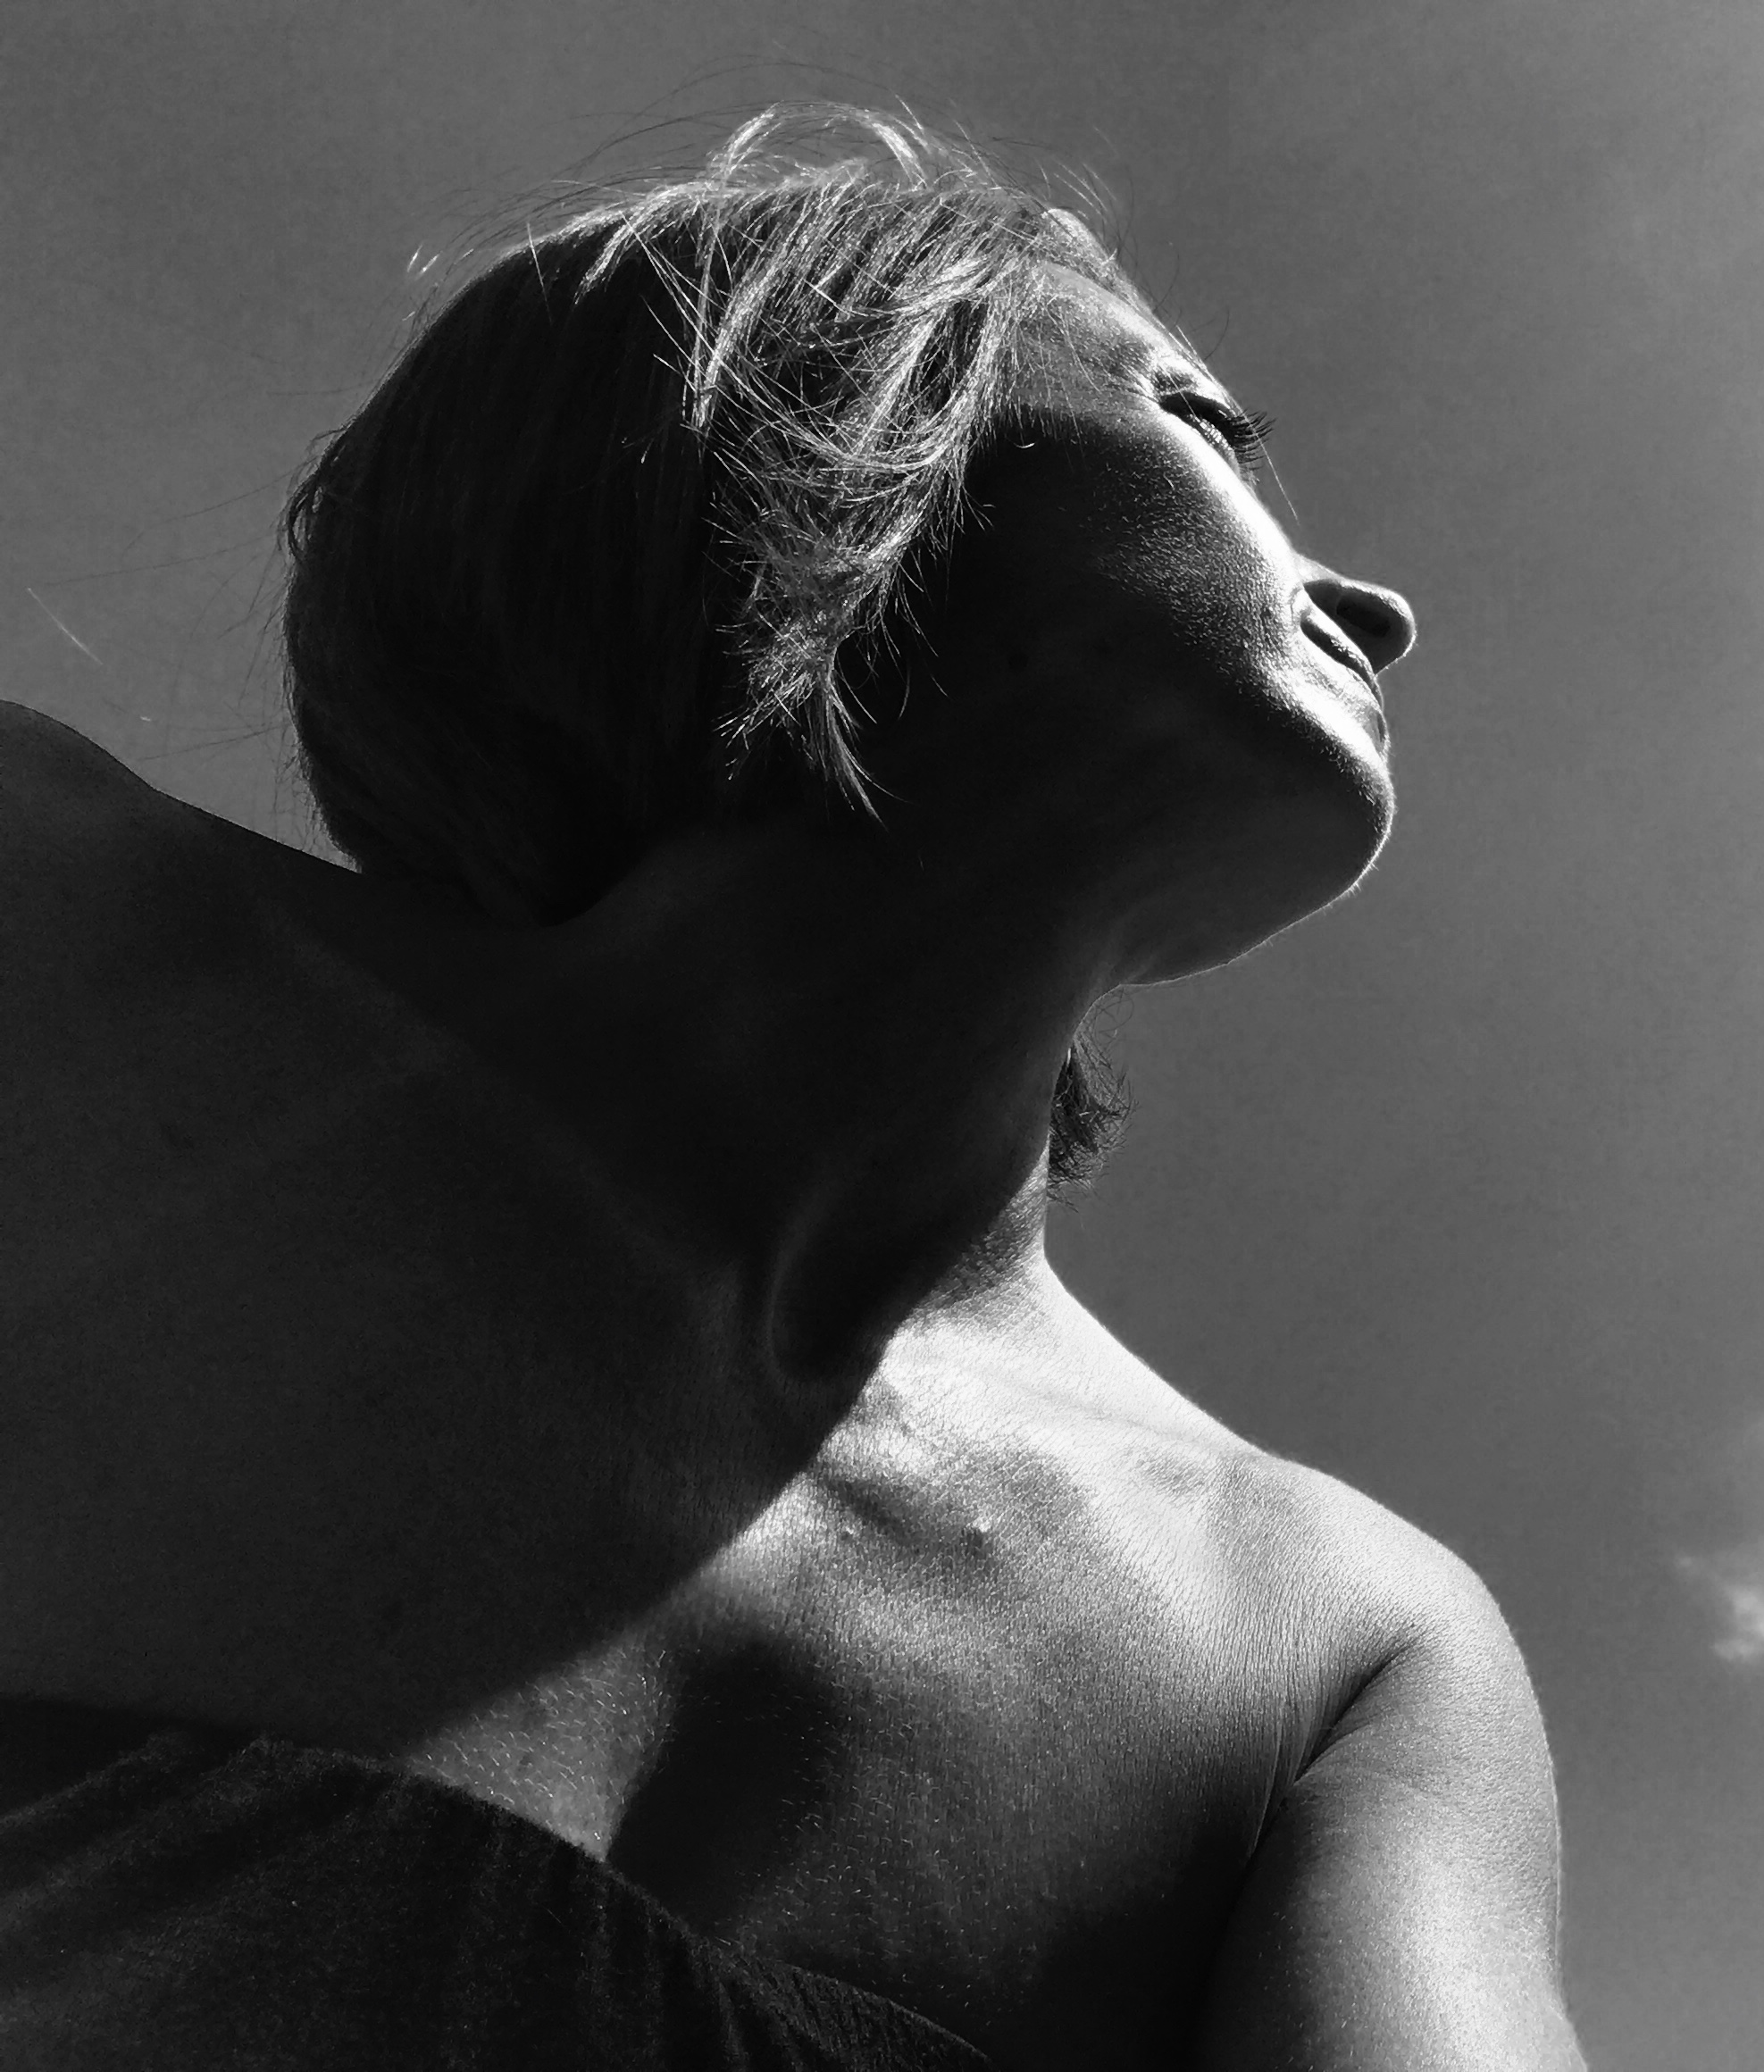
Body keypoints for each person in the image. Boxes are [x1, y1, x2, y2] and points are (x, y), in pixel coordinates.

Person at [0, 107, 1584, 2071]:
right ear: (816, 423)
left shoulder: (1337, 1641)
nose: (1378, 606)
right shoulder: (52, 935)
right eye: (1199, 422)